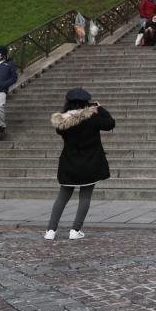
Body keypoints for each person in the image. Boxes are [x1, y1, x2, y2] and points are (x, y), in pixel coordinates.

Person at [44, 88, 115, 241]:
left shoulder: (62, 121)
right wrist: (100, 108)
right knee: (85, 196)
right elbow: (110, 124)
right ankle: (75, 230)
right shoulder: (92, 118)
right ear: (86, 102)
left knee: (62, 196)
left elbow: (61, 130)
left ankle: (50, 230)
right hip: (90, 162)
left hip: (69, 163)